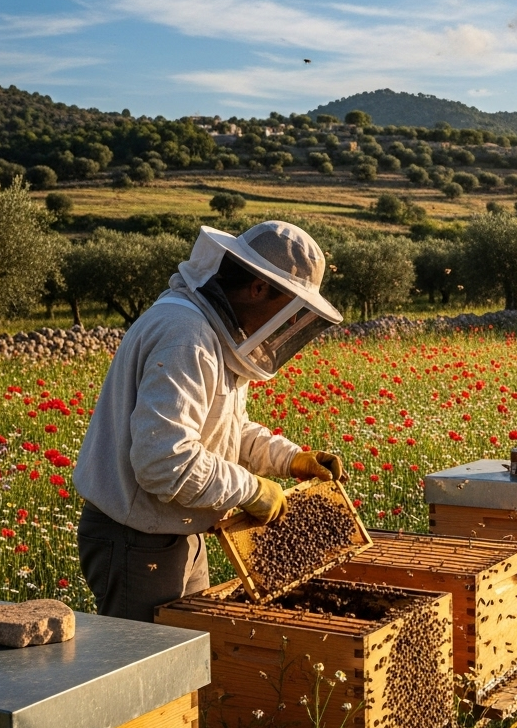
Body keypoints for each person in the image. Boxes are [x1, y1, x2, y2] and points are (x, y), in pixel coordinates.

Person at [73, 220, 344, 621]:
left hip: (176, 528)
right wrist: (251, 489)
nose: (290, 324)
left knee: (188, 666)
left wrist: (291, 459)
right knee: (150, 678)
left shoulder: (216, 336)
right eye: (289, 307)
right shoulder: (187, 336)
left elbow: (225, 430)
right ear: (258, 288)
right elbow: (165, 461)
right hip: (136, 540)